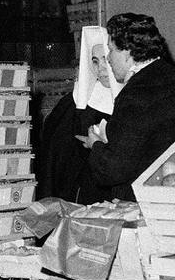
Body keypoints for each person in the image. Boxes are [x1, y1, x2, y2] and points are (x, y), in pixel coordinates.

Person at [74, 12, 175, 203]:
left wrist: (96, 146)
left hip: (143, 202)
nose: (108, 58)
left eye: (111, 50)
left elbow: (113, 170)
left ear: (127, 53)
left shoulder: (134, 95)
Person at [35, 26, 120, 202]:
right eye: (95, 62)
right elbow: (55, 157)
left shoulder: (131, 100)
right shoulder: (75, 101)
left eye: (106, 59)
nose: (101, 69)